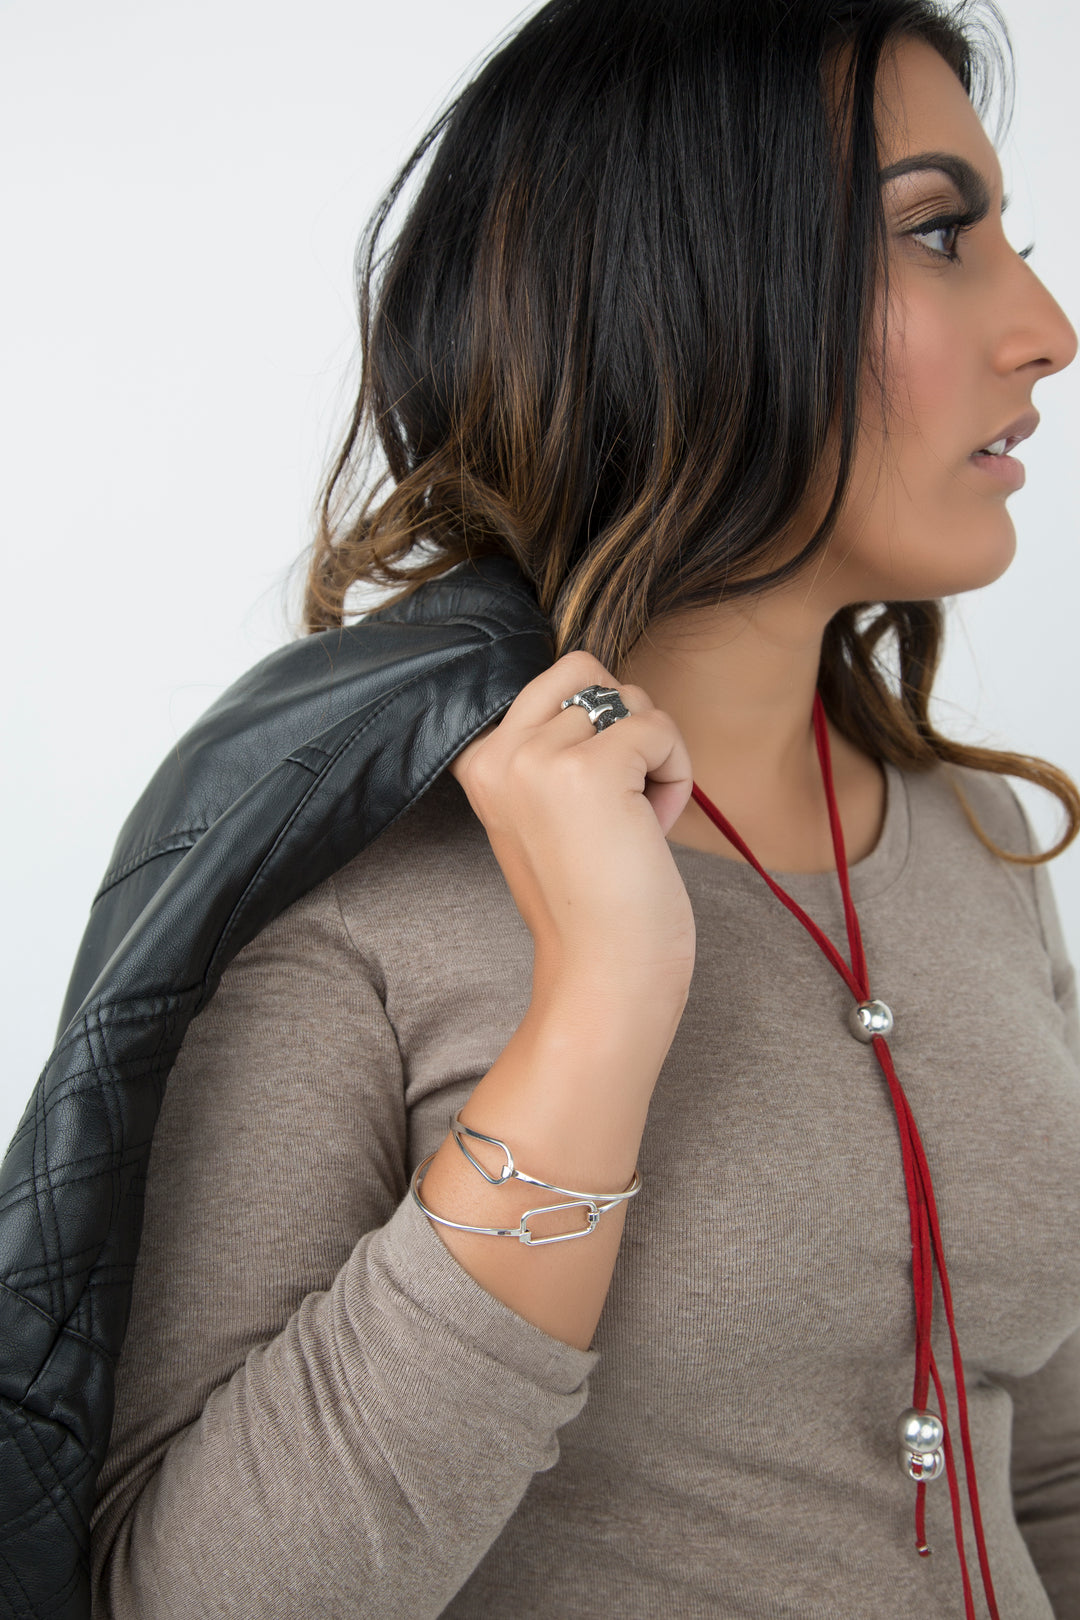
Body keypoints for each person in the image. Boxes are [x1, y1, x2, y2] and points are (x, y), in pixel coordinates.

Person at [85, 0, 1079, 1615]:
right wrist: (600, 1009)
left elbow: (1037, 1474)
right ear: (683, 291)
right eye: (937, 235)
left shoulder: (973, 842)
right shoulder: (347, 891)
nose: (1045, 326)